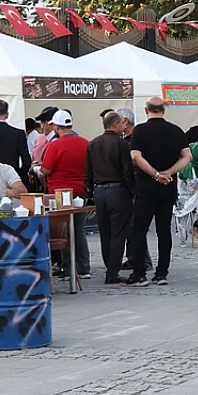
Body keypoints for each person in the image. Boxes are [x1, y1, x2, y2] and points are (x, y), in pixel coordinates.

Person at [124, 97, 191, 287]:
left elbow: (135, 157)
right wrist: (169, 172)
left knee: (139, 229)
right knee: (164, 231)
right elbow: (187, 156)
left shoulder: (140, 131)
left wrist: (154, 174)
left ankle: (139, 273)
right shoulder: (175, 130)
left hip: (146, 188)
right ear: (163, 110)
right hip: (168, 187)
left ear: (146, 111)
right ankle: (162, 273)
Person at [39, 110, 91, 280]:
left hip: (60, 194)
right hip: (81, 192)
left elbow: (46, 169)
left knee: (64, 231)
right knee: (79, 230)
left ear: (56, 126)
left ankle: (69, 268)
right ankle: (84, 268)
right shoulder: (85, 143)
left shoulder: (55, 145)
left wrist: (36, 169)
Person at [85, 110, 136, 285]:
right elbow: (127, 172)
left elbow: (88, 171)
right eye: (122, 123)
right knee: (118, 233)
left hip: (99, 192)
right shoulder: (122, 145)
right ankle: (112, 272)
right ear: (115, 124)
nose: (124, 126)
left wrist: (89, 193)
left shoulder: (93, 144)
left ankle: (109, 266)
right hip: (118, 191)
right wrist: (132, 191)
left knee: (105, 232)